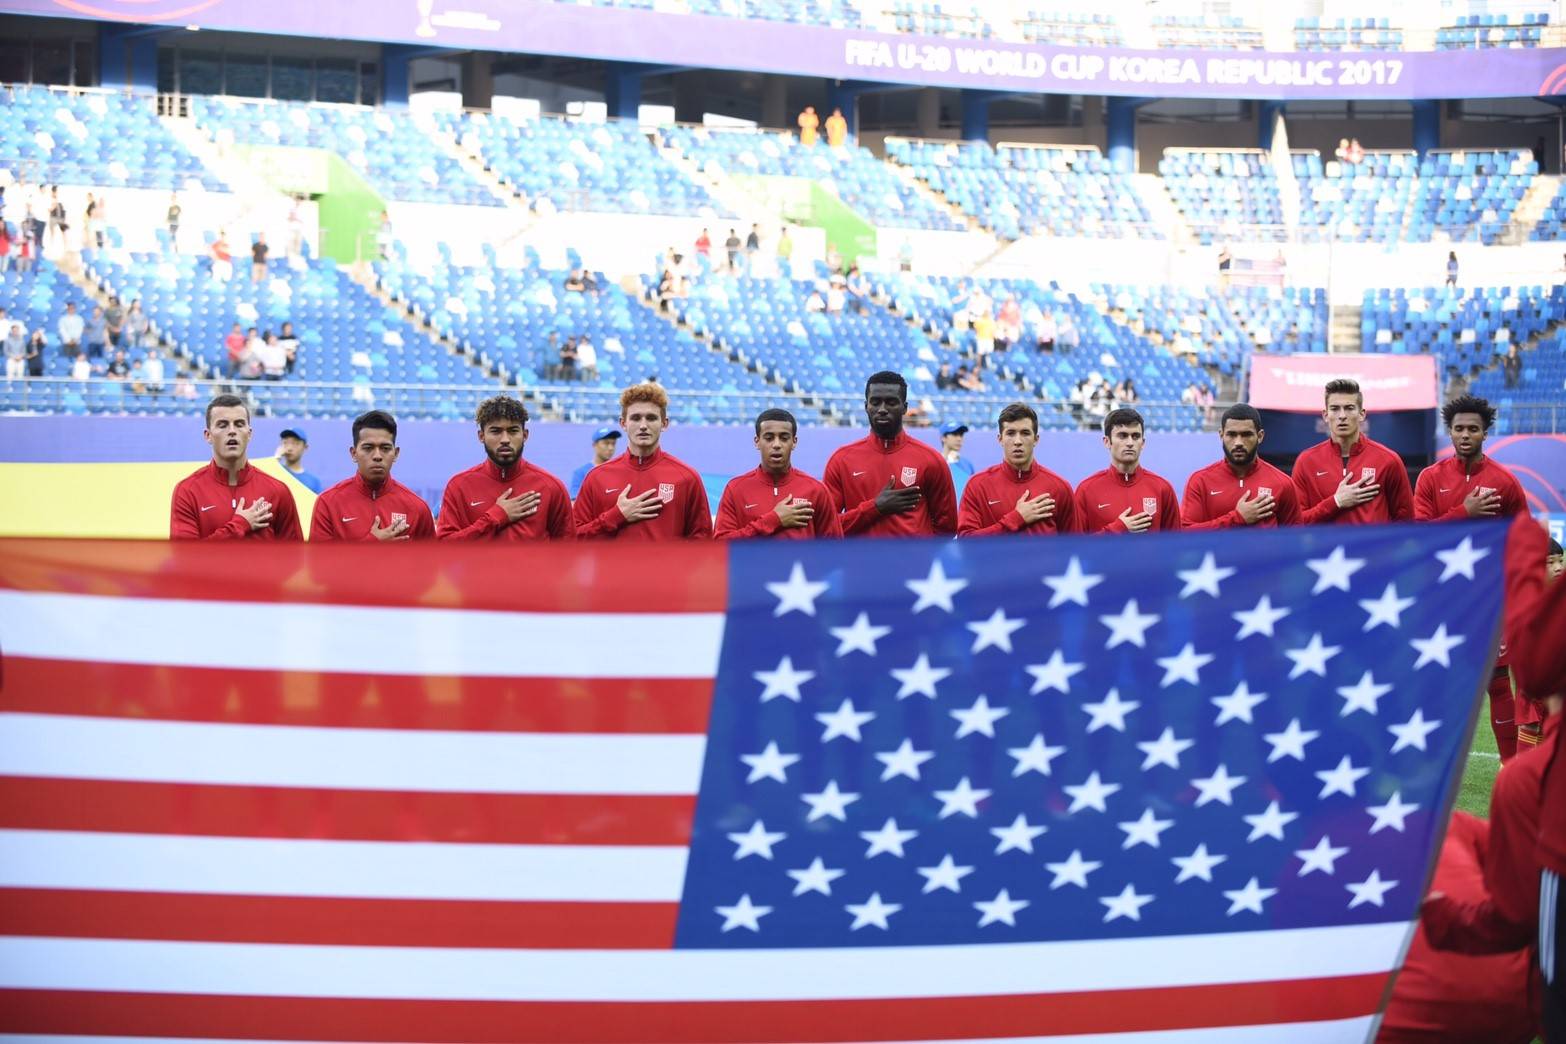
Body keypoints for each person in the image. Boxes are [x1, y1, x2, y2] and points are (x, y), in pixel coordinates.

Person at [823, 370, 958, 537]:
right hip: (860, 555)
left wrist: (919, 551)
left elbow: (948, 527)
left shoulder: (931, 460)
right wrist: (875, 508)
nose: (882, 409)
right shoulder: (842, 460)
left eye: (891, 402)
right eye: (875, 402)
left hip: (913, 555)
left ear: (904, 408)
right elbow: (826, 528)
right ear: (866, 407)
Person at [573, 383, 713, 540]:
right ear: (623, 423)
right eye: (635, 418)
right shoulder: (596, 477)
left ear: (664, 423)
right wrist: (616, 516)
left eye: (651, 418)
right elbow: (574, 537)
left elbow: (703, 541)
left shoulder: (687, 478)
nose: (643, 426)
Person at [439, 395, 574, 541]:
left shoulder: (551, 487)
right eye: (496, 431)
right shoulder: (459, 487)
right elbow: (444, 547)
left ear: (525, 435)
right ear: (481, 436)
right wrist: (495, 517)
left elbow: (568, 549)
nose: (505, 439)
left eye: (513, 431)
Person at [169, 394, 303, 540]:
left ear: (249, 434)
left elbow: (294, 553)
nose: (232, 431)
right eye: (223, 425)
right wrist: (240, 524)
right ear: (208, 435)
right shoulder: (188, 492)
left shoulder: (278, 491)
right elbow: (185, 553)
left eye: (239, 424)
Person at [1291, 378, 1414, 525]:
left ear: (1362, 414)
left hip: (1373, 541)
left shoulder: (1389, 460)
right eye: (1335, 409)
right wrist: (1336, 502)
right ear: (1325, 415)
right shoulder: (1306, 461)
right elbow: (1296, 523)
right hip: (1325, 542)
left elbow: (1407, 522)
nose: (1342, 415)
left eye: (1349, 408)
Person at [715, 408, 842, 540]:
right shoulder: (736, 489)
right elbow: (721, 544)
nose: (776, 444)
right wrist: (774, 520)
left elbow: (834, 547)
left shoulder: (816, 490)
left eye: (784, 438)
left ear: (794, 442)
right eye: (769, 438)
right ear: (757, 441)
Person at [310, 410, 435, 542]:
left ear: (396, 453)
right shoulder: (328, 503)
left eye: (385, 448)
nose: (377, 456)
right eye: (368, 448)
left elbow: (432, 556)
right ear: (353, 453)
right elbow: (318, 556)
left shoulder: (418, 508)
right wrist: (373, 543)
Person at [958, 403, 1076, 537]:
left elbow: (1073, 545)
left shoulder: (1060, 487)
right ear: (1000, 439)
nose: (1018, 441)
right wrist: (1016, 518)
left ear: (1036, 439)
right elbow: (966, 542)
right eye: (1010, 433)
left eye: (1025, 433)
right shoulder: (977, 485)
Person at [1181, 404, 1300, 529]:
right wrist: (1237, 518)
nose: (1238, 442)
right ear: (1221, 435)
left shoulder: (1283, 483)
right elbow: (1186, 533)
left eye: (1246, 435)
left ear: (1260, 436)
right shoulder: (1200, 482)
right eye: (1231, 435)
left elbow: (1295, 537)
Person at [1415, 395, 1527, 522]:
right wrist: (1464, 512)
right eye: (1459, 429)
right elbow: (1420, 531)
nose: (1465, 435)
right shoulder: (1429, 478)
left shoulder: (1506, 482)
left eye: (1473, 429)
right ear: (1451, 433)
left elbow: (1524, 529)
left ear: (1484, 435)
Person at [1073, 407, 1182, 534]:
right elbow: (1075, 544)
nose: (1130, 443)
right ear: (1107, 442)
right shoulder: (1086, 490)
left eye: (1135, 436)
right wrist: (1118, 528)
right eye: (1122, 436)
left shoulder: (1162, 488)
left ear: (1143, 443)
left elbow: (1176, 543)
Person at [568, 426, 622, 500]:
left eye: (613, 443)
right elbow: (575, 502)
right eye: (606, 443)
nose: (610, 448)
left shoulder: (619, 472)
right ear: (594, 445)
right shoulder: (581, 473)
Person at [276, 427, 323, 494]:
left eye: (295, 443)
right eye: (285, 443)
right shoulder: (275, 472)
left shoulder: (313, 482)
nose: (289, 448)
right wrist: (277, 457)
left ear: (305, 447)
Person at [940, 422, 975, 503]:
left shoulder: (968, 465)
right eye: (955, 434)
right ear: (943, 438)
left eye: (961, 435)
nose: (959, 439)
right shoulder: (934, 464)